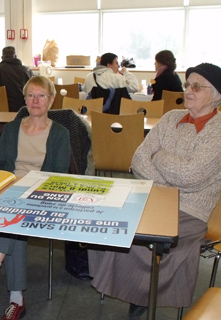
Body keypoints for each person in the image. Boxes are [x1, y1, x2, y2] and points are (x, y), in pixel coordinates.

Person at [88, 63, 221, 318]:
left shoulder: (218, 130)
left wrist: (159, 156)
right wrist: (170, 181)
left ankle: (142, 294)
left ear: (216, 96)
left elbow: (193, 176)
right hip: (152, 196)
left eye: (197, 86)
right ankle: (133, 287)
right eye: (187, 84)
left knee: (139, 236)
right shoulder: (171, 117)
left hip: (191, 210)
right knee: (104, 220)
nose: (189, 91)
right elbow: (138, 159)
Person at [0, 76, 71, 320]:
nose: (35, 100)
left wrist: (29, 191)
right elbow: (1, 165)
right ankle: (16, 299)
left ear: (51, 100)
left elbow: (58, 175)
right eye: (31, 95)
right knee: (14, 221)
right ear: (24, 99)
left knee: (11, 218)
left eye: (41, 95)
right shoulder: (12, 128)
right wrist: (12, 187)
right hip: (11, 190)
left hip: (41, 194)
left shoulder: (61, 134)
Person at [0, 46, 33, 112]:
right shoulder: (27, 71)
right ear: (15, 56)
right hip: (23, 109)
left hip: (0, 110)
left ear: (2, 58)